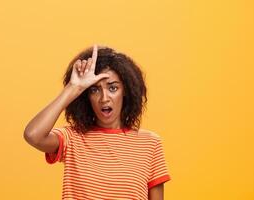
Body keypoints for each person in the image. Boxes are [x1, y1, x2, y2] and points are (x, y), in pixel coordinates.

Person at [23, 45, 171, 199]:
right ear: (86, 96)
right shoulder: (72, 138)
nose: (104, 98)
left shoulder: (150, 144)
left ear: (126, 91)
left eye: (113, 88)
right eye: (94, 90)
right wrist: (73, 88)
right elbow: (33, 135)